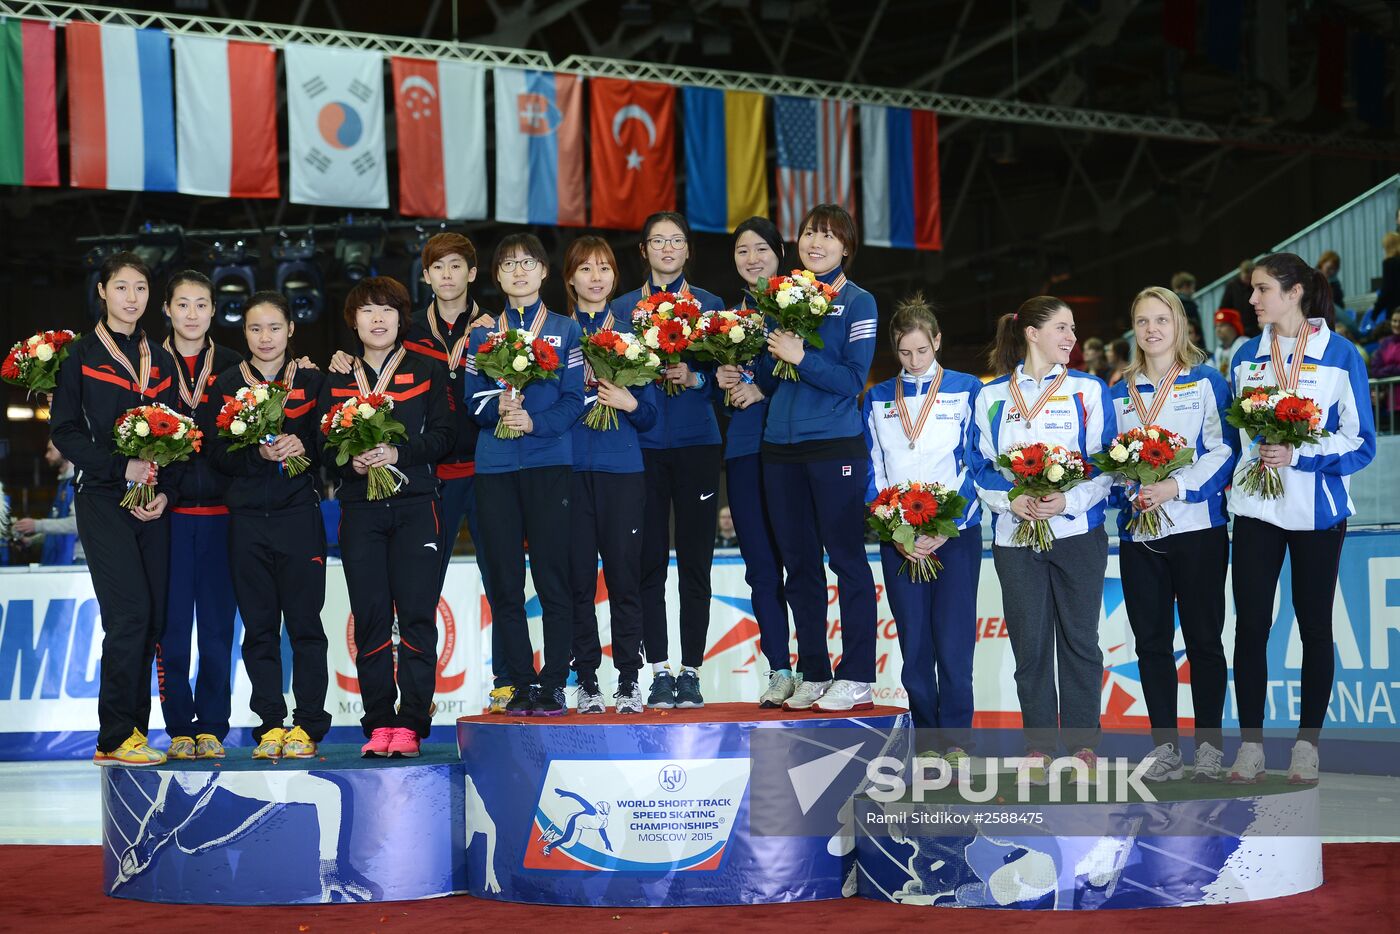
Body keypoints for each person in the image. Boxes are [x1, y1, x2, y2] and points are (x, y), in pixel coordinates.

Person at [1226, 252, 1375, 784]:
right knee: (1250, 628)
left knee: (1314, 627)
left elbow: (1362, 444)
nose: (1252, 298)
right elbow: (1236, 435)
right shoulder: (1246, 354)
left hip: (1317, 513)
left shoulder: (1341, 354)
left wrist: (1300, 455)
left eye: (1262, 288)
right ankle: (1249, 745)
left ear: (1294, 293)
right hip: (1255, 511)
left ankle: (1307, 744)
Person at [969, 295, 1115, 781]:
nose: (1072, 338)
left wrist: (1067, 501)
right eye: (1062, 328)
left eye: (1073, 329)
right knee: (1030, 646)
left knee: (1080, 641)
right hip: (1015, 538)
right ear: (1032, 333)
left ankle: (1081, 745)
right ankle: (1038, 745)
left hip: (1076, 533)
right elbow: (979, 465)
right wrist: (1010, 499)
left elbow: (1103, 463)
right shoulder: (991, 396)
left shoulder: (1088, 389)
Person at [50, 252, 182, 767]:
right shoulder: (81, 356)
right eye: (122, 287)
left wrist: (161, 487)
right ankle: (113, 735)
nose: (132, 298)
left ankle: (134, 736)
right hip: (102, 497)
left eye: (141, 289)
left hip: (152, 502)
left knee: (150, 621)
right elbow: (63, 432)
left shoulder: (163, 359)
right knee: (127, 615)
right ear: (103, 292)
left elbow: (180, 433)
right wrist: (118, 467)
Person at [319, 276, 454, 757]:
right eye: (368, 311)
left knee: (417, 618)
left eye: (388, 311)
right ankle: (378, 723)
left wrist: (399, 452)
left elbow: (444, 436)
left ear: (402, 318)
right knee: (372, 619)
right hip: (360, 510)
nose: (378, 320)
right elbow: (321, 445)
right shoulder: (332, 378)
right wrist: (347, 461)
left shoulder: (427, 369)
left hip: (418, 506)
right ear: (353, 321)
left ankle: (413, 724)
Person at [755, 203, 879, 714]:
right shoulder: (781, 298)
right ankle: (812, 671)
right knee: (799, 566)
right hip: (779, 449)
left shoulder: (859, 302)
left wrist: (801, 355)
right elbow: (767, 373)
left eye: (828, 236)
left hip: (833, 446)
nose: (816, 242)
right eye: (809, 233)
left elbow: (852, 380)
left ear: (846, 247)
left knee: (846, 561)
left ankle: (857, 676)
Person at [1111, 287, 1236, 782]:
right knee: (1151, 644)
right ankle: (1165, 747)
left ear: (1179, 324)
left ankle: (1208, 748)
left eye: (1161, 319)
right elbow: (1109, 456)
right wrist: (1131, 484)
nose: (1152, 330)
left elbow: (1223, 450)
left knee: (1205, 640)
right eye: (1142, 321)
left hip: (1198, 529)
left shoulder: (1206, 381)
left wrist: (1174, 486)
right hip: (1138, 534)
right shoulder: (1120, 388)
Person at [465, 234, 584, 717]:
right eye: (509, 263)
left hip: (549, 463)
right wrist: (499, 410)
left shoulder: (564, 330)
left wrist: (536, 423)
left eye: (528, 263)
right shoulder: (481, 334)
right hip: (495, 466)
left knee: (554, 578)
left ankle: (554, 680)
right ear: (497, 275)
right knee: (505, 583)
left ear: (544, 272)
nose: (519, 271)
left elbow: (575, 399)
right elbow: (471, 398)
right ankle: (517, 680)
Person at [209, 291, 331, 760]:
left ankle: (308, 724)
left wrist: (305, 447)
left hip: (299, 517)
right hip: (245, 522)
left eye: (274, 328)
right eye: (256, 329)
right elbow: (214, 453)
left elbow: (331, 438)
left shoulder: (315, 380)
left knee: (305, 626)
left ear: (291, 330)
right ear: (244, 333)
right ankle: (270, 724)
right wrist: (252, 454)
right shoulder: (225, 384)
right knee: (259, 628)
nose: (265, 338)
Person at [613, 212, 726, 710]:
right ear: (643, 250)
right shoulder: (622, 309)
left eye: (676, 240)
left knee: (696, 560)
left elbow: (725, 379)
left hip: (698, 443)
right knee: (649, 561)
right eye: (657, 240)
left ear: (687, 250)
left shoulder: (711, 306)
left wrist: (696, 377)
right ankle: (658, 669)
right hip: (642, 446)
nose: (666, 248)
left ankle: (692, 670)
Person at [862, 294, 982, 761]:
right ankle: (928, 743)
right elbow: (872, 470)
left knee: (953, 645)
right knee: (915, 646)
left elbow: (976, 462)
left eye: (922, 351)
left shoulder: (966, 388)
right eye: (904, 353)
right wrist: (894, 530)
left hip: (953, 536)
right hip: (900, 540)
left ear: (937, 341)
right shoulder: (876, 398)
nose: (913, 362)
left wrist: (946, 526)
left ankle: (957, 743)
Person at [564, 234, 655, 715]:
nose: (596, 278)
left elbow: (652, 415)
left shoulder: (635, 332)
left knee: (624, 579)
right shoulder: (554, 333)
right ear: (570, 278)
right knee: (579, 581)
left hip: (622, 469)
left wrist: (630, 401)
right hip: (571, 470)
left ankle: (627, 681)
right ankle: (586, 681)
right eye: (585, 269)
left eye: (604, 268)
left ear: (615, 277)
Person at [155, 270, 243, 761]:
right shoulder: (146, 364)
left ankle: (211, 725)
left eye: (201, 304)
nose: (192, 313)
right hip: (167, 517)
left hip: (224, 517)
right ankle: (178, 727)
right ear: (166, 309)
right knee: (171, 631)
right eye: (182, 304)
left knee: (216, 630)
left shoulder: (233, 365)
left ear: (213, 310)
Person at [715, 216, 793, 707]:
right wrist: (721, 382)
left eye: (761, 248)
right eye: (743, 251)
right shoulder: (726, 320)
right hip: (745, 450)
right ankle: (780, 669)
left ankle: (816, 669)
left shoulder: (802, 306)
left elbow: (815, 373)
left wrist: (764, 386)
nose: (752, 258)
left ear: (779, 252)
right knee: (761, 567)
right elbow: (713, 397)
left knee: (801, 563)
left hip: (791, 449)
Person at [13, 440, 83, 564]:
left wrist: (37, 525)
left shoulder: (79, 484)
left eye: (50, 450)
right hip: (59, 562)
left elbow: (76, 524)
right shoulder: (64, 483)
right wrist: (32, 541)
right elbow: (59, 527)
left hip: (73, 564)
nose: (46, 455)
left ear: (65, 450)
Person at [1221, 260, 1258, 336]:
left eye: (1250, 278)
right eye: (1246, 278)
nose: (1248, 281)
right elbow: (1224, 308)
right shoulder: (1232, 286)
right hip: (1238, 328)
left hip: (1255, 327)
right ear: (1241, 273)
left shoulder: (1256, 286)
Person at [1213, 308, 1248, 376]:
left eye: (1222, 325)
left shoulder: (1245, 344)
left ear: (1234, 326)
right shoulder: (1219, 349)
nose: (1218, 329)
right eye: (1216, 326)